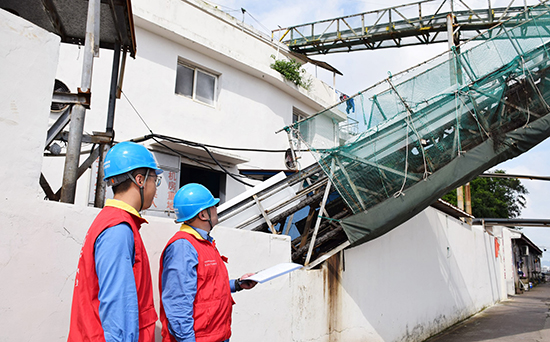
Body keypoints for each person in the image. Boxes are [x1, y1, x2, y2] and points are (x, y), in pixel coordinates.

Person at [67, 141, 163, 342]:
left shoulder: (112, 222)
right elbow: (118, 311)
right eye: (154, 179)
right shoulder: (118, 230)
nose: (156, 188)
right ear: (140, 179)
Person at [159, 183, 257, 342]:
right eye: (213, 206)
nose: (216, 209)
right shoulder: (183, 248)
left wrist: (238, 284)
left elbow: (206, 287)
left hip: (217, 335)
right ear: (203, 215)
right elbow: (178, 307)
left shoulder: (203, 243)